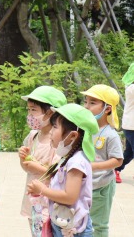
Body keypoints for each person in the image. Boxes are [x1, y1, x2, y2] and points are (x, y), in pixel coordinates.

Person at [27, 104, 99, 236]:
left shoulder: (77, 162)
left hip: (74, 230)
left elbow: (70, 197)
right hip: (63, 223)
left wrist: (42, 190)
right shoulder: (67, 157)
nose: (51, 131)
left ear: (72, 136)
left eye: (55, 127)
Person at [18, 86, 67, 236]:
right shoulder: (33, 136)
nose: (29, 115)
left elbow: (59, 172)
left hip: (50, 199)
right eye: (28, 110)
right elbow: (27, 168)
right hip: (33, 199)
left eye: (33, 110)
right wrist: (23, 159)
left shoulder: (58, 139)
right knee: (36, 231)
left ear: (50, 112)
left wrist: (35, 166)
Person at [81, 85, 123, 237]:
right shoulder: (85, 129)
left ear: (107, 109)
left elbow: (117, 160)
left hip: (101, 187)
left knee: (98, 225)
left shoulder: (110, 135)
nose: (87, 106)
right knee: (82, 222)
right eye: (86, 102)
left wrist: (93, 166)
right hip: (84, 184)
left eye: (92, 103)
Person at [115, 63, 134, 183]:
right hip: (131, 125)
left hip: (130, 125)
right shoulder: (131, 88)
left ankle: (116, 168)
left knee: (129, 152)